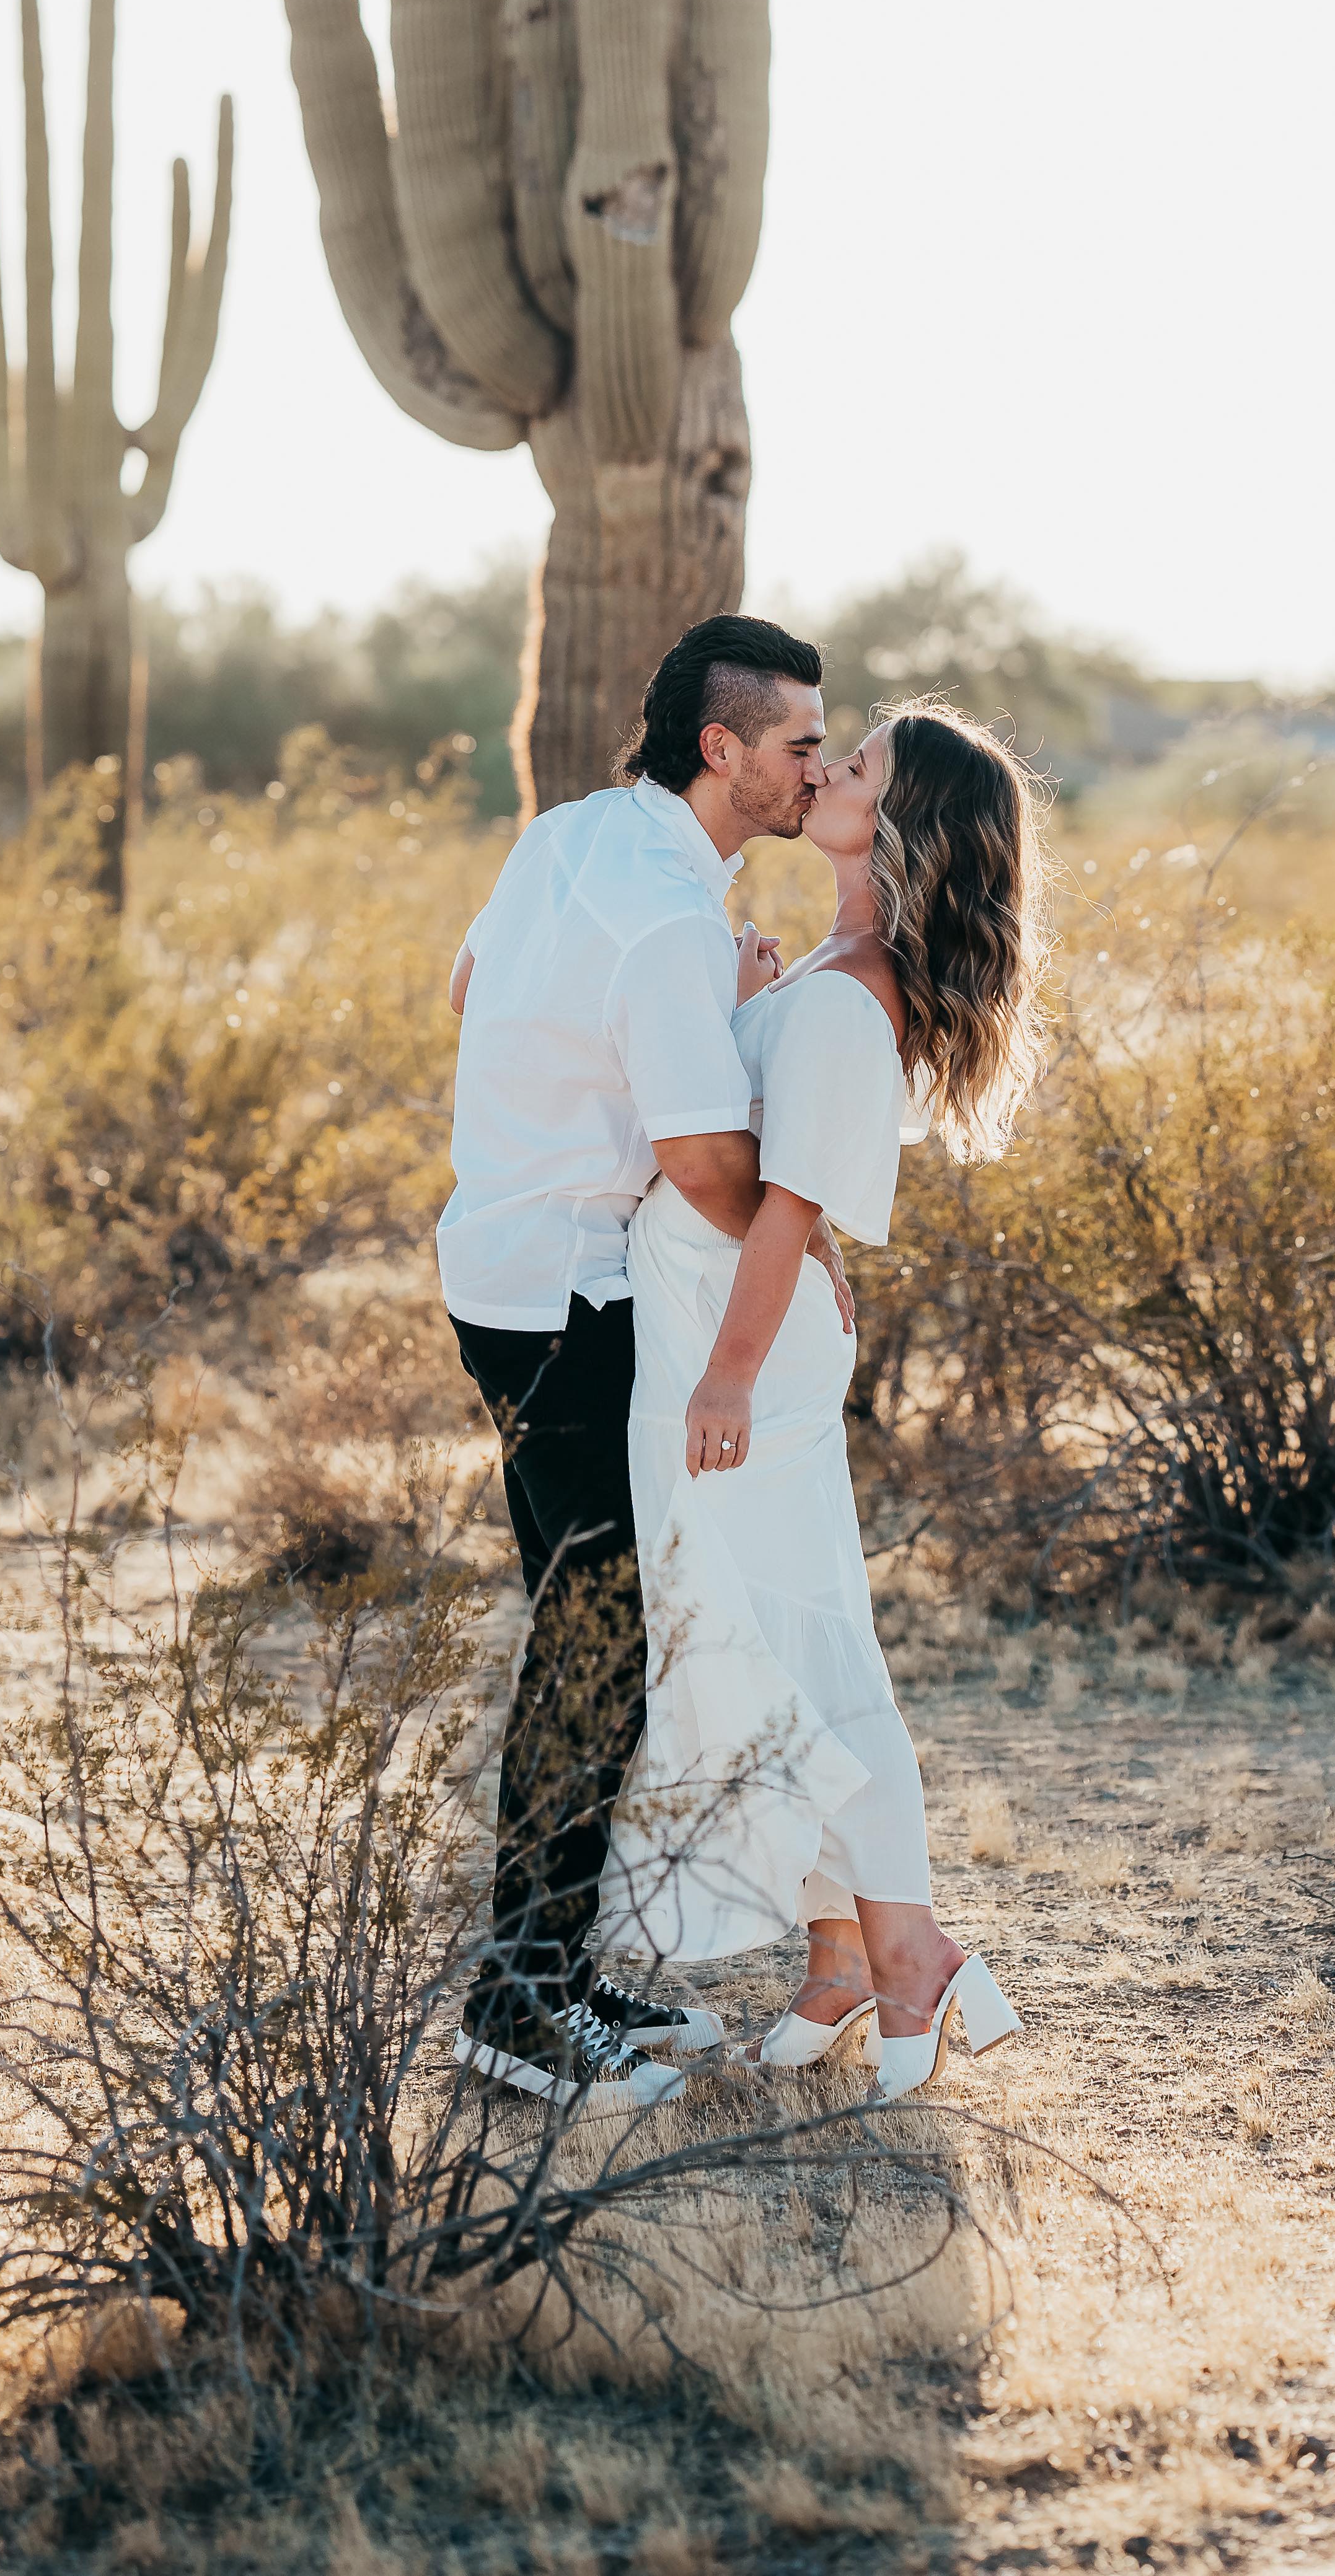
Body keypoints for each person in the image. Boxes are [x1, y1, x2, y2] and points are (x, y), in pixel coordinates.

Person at [439, 612, 845, 2108]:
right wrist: (800, 1244)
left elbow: (474, 997)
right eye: (800, 739)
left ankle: (555, 1962)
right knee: (592, 1647)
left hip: (498, 1269)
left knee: (590, 1634)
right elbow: (697, 1154)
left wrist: (693, 1011)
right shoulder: (675, 919)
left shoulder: (567, 840)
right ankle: (517, 1999)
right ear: (720, 751)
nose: (818, 760)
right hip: (570, 1300)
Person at [611, 703, 1046, 2097]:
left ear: (898, 821)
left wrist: (732, 1368)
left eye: (852, 767)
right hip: (714, 1319)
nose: (823, 773)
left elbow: (789, 1200)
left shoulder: (858, 996)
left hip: (730, 1343)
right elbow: (765, 1155)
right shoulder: (838, 971)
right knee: (751, 1635)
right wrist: (746, 1001)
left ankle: (908, 1948)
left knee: (802, 1644)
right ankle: (838, 1953)